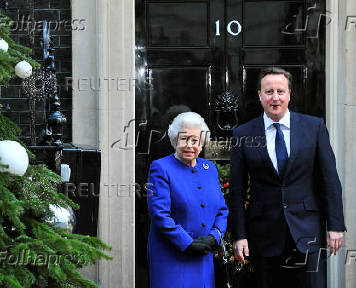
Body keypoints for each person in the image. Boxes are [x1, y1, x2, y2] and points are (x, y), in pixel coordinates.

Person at [229, 67, 346, 288]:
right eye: (269, 91)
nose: (275, 97)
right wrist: (239, 235)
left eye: (280, 91)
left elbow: (329, 179)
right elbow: (236, 189)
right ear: (259, 95)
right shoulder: (243, 134)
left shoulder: (314, 127)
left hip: (308, 232)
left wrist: (335, 226)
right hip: (264, 235)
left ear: (289, 94)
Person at [146, 112, 228, 288]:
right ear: (175, 140)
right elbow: (159, 215)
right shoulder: (161, 168)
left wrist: (214, 238)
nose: (190, 145)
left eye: (195, 140)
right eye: (184, 139)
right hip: (172, 257)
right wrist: (187, 243)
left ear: (202, 142)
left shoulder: (209, 168)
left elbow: (222, 210)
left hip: (203, 257)